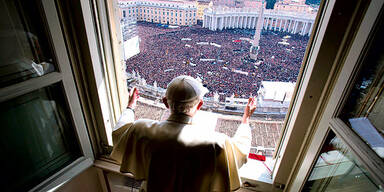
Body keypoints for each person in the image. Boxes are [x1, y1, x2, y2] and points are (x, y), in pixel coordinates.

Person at [110, 75, 257, 192]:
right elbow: (241, 151)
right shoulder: (217, 143)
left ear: (165, 102)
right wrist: (245, 120)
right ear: (199, 105)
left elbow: (119, 133)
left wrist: (130, 107)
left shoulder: (141, 129)